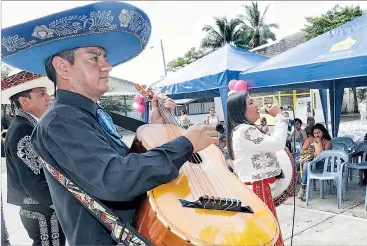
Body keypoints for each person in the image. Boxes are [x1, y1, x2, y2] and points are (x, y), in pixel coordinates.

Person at [1, 2, 218, 245]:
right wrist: (185, 144)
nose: (107, 66)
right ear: (63, 67)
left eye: (104, 57)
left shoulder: (85, 113)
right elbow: (115, 179)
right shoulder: (61, 120)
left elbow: (118, 162)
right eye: (94, 57)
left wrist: (154, 128)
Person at [2, 71, 66, 245]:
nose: (48, 98)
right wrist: (58, 204)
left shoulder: (27, 125)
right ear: (24, 101)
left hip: (38, 207)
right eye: (41, 94)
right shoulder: (24, 129)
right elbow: (33, 179)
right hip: (41, 209)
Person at [226, 91, 293, 246]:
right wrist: (279, 117)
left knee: (261, 231)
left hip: (257, 187)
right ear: (240, 111)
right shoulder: (244, 130)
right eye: (251, 103)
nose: (257, 105)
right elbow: (278, 143)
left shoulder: (242, 129)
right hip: (258, 188)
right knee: (266, 231)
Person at [297, 123, 332, 201]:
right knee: (306, 164)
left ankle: (302, 189)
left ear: (323, 132)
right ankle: (303, 189)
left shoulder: (328, 141)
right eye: (315, 133)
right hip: (311, 162)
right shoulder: (310, 139)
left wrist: (319, 143)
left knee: (307, 165)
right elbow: (302, 151)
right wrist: (308, 151)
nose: (316, 135)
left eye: (319, 132)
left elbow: (322, 155)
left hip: (323, 164)